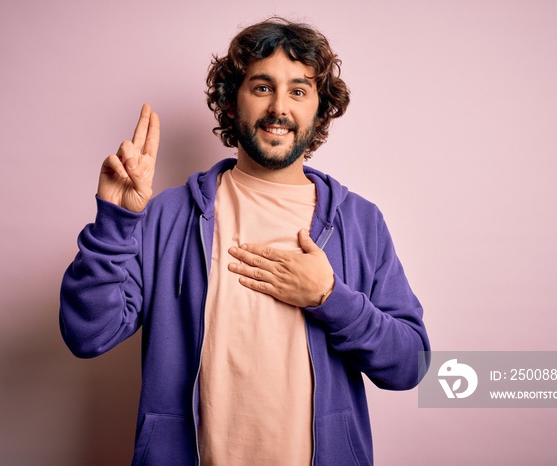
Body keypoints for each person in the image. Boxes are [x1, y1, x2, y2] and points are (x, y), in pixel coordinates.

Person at [60, 17, 430, 466]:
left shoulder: (359, 221)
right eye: (261, 87)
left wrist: (329, 298)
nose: (279, 107)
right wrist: (115, 222)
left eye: (298, 91)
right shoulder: (169, 215)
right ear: (232, 104)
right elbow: (87, 334)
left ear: (319, 110)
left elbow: (410, 363)